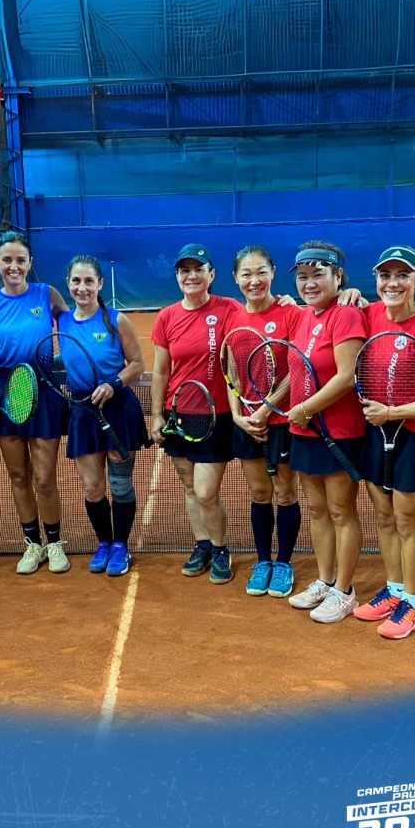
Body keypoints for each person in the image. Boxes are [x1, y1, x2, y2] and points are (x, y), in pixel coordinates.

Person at [0, 230, 70, 574]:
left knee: (44, 478)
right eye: (7, 260)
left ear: (30, 262)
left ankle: (54, 543)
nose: (13, 266)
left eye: (20, 260)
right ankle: (33, 545)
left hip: (43, 389)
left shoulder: (47, 294)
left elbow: (73, 327)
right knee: (18, 475)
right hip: (5, 390)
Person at [354, 246, 415, 639]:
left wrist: (392, 412)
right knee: (384, 517)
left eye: (402, 275)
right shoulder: (368, 314)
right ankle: (395, 589)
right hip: (377, 433)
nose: (392, 283)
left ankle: (413, 605)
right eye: (385, 275)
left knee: (406, 522)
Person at [286, 241, 367, 623]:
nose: (309, 283)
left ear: (338, 276)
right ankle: (325, 579)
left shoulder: (346, 314)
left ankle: (344, 591)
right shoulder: (304, 316)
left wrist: (305, 409)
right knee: (317, 510)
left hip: (339, 431)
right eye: (303, 276)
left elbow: (347, 376)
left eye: (318, 275)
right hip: (305, 431)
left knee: (340, 510)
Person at [151, 244, 240, 584]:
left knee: (205, 491)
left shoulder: (229, 309)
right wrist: (157, 416)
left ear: (211, 275)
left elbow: (262, 313)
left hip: (216, 415)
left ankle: (220, 548)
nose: (191, 276)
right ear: (177, 276)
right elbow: (161, 371)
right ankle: (202, 545)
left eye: (198, 269)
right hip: (178, 413)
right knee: (189, 487)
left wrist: (288, 301)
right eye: (184, 270)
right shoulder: (167, 316)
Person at [59, 255, 147, 575]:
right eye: (76, 281)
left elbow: (137, 364)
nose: (82, 287)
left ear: (99, 284)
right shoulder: (62, 320)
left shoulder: (116, 319)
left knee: (120, 484)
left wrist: (113, 384)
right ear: (68, 283)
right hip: (83, 411)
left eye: (88, 281)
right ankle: (104, 543)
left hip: (118, 408)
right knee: (93, 487)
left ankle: (121, 545)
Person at [228, 244, 302, 597]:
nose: (254, 280)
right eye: (246, 274)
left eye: (261, 272)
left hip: (282, 422)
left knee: (285, 494)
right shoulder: (233, 317)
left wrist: (267, 409)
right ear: (235, 278)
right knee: (259, 493)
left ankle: (283, 562)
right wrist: (238, 415)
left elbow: (295, 369)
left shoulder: (290, 313)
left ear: (272, 272)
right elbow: (231, 371)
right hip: (248, 422)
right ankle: (262, 561)